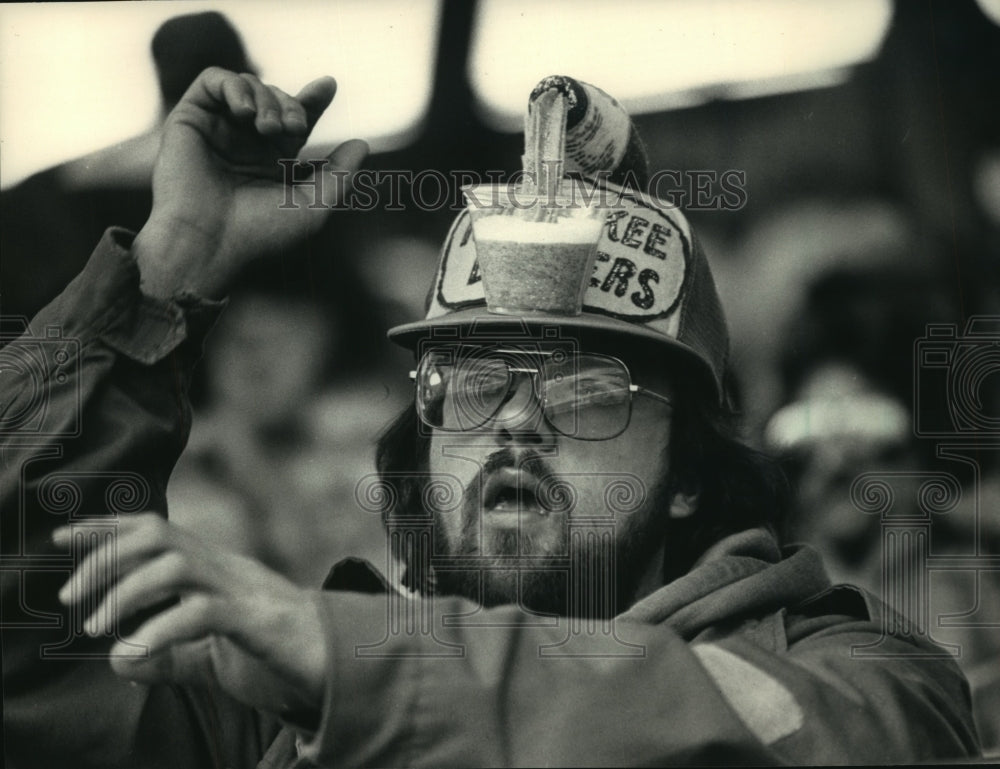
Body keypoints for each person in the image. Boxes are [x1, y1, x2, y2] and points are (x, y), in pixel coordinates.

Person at [0, 68, 982, 767]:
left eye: (586, 390)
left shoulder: (864, 677)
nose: (515, 424)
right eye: (468, 383)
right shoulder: (269, 704)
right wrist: (168, 267)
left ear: (691, 467)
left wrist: (356, 666)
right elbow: (28, 681)